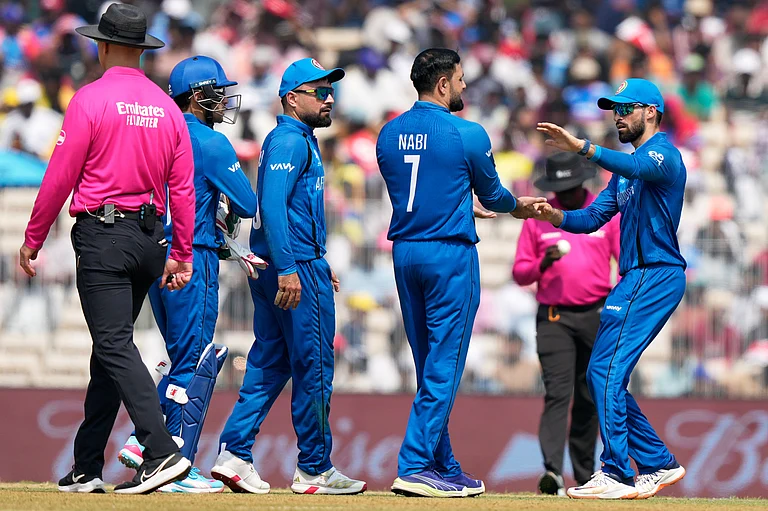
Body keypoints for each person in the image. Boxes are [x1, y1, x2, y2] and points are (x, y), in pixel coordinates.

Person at [19, 3, 195, 495]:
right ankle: (86, 465)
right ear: (140, 49)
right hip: (150, 239)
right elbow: (182, 188)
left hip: (104, 234)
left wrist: (33, 237)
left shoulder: (90, 99)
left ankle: (160, 451)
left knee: (114, 345)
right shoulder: (166, 107)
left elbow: (60, 175)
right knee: (109, 348)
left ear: (104, 46)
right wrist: (183, 252)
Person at [376, 48, 545, 498]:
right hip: (448, 255)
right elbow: (494, 195)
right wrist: (517, 207)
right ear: (443, 83)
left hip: (405, 252)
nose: (465, 85)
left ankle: (442, 464)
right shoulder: (467, 132)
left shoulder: (388, 134)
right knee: (444, 366)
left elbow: (414, 192)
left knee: (429, 365)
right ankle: (415, 465)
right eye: (461, 78)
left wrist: (456, 203)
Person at [210, 58, 367, 495]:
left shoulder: (295, 140)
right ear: (292, 98)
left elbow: (292, 212)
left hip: (287, 263)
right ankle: (314, 468)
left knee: (269, 363)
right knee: (314, 367)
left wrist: (314, 260)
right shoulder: (290, 142)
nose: (329, 98)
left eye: (330, 90)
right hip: (291, 268)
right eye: (320, 91)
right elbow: (272, 208)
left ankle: (234, 454)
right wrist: (292, 267)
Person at [116, 55, 263, 493]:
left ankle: (143, 442)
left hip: (152, 254)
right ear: (197, 97)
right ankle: (174, 465)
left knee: (180, 356)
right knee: (195, 361)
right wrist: (219, 208)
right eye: (217, 93)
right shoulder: (210, 142)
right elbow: (248, 204)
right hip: (192, 255)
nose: (224, 101)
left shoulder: (153, 132)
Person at [535, 78, 688, 499]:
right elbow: (590, 219)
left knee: (603, 372)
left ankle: (617, 472)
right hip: (635, 277)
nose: (617, 116)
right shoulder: (624, 174)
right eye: (613, 109)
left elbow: (638, 168)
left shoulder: (664, 155)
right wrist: (552, 216)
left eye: (625, 108)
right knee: (601, 374)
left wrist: (581, 147)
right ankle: (657, 462)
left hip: (654, 274)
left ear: (651, 112)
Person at [513, 152, 620, 495]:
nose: (568, 195)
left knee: (589, 396)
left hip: (597, 315)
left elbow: (624, 264)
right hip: (554, 317)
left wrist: (617, 306)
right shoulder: (538, 218)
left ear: (582, 183)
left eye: (572, 188)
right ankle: (552, 473)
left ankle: (586, 475)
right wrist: (542, 263)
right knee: (558, 393)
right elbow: (520, 273)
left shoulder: (604, 213)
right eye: (561, 190)